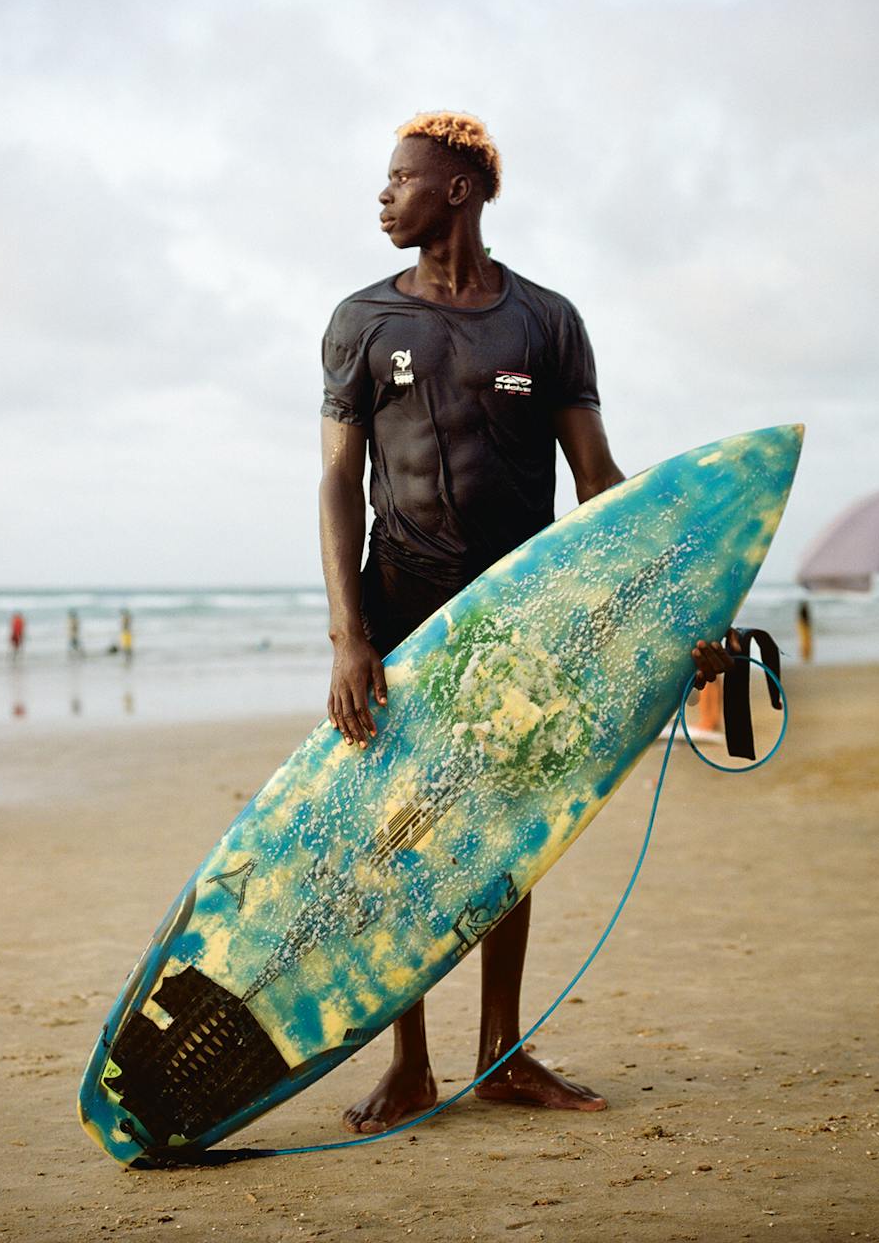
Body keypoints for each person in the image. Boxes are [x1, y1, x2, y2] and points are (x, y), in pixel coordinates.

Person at [319, 111, 734, 1136]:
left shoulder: (544, 321)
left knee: (504, 832)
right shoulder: (360, 320)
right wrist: (345, 634)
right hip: (398, 612)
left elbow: (596, 482)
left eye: (400, 179)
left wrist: (680, 605)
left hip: (519, 620)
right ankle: (407, 1063)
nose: (383, 195)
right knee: (397, 836)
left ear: (454, 191)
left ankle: (498, 1053)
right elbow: (335, 479)